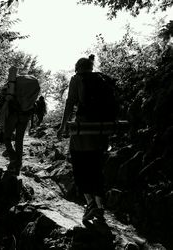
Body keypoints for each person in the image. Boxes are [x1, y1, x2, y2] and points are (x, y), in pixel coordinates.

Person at [57, 55, 117, 226]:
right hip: (101, 131)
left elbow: (70, 103)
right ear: (91, 67)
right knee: (96, 168)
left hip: (83, 131)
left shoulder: (77, 79)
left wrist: (62, 127)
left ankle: (90, 203)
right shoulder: (102, 79)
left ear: (77, 68)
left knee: (80, 166)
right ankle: (99, 206)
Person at [0, 66, 40, 175]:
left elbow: (3, 100)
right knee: (19, 140)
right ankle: (17, 167)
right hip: (25, 115)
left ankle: (13, 158)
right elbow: (34, 103)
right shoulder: (32, 86)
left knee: (7, 137)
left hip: (14, 114)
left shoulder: (12, 85)